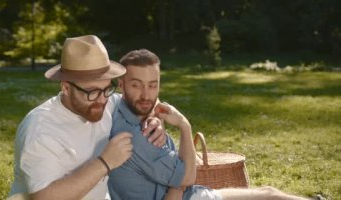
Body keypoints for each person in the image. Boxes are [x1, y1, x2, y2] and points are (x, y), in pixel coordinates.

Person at [108, 49, 315, 200]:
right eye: (137, 85)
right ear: (122, 84)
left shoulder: (116, 104)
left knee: (269, 192)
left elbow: (149, 99)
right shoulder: (136, 137)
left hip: (188, 194)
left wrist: (154, 115)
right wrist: (184, 125)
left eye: (153, 85)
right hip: (191, 196)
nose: (146, 95)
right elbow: (188, 177)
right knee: (270, 197)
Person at [8, 35, 166, 200]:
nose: (103, 99)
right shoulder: (40, 130)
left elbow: (143, 100)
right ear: (67, 88)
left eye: (106, 89)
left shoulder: (104, 103)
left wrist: (154, 120)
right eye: (92, 92)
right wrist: (105, 162)